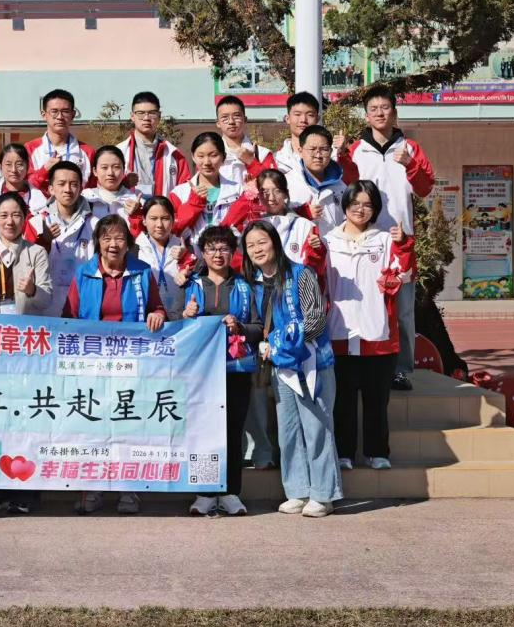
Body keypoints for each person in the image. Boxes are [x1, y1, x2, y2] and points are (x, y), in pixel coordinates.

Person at [62, 214, 167, 516]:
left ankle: (128, 489)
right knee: (92, 425)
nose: (113, 244)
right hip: (91, 365)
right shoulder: (83, 274)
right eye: (106, 238)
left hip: (130, 364)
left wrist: (157, 314)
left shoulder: (142, 272)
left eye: (119, 238)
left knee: (127, 423)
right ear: (97, 242)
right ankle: (92, 490)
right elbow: (68, 317)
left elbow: (157, 307)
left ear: (128, 243)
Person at [242, 220, 341, 518]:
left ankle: (323, 495)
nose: (257, 249)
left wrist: (281, 344)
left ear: (275, 242)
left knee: (317, 428)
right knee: (288, 431)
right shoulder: (253, 283)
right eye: (250, 245)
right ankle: (297, 490)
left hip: (311, 363)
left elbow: (315, 320)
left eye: (262, 242)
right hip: (281, 368)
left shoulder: (301, 274)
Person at [340, 85, 435, 391]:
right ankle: (363, 366)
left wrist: (410, 164)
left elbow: (425, 188)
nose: (380, 113)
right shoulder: (356, 150)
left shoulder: (410, 148)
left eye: (385, 108)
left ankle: (401, 370)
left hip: (400, 242)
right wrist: (340, 156)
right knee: (363, 305)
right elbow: (345, 188)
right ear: (366, 116)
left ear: (395, 112)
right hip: (364, 241)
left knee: (403, 312)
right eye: (374, 109)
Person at [0, 191, 52, 516]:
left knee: (24, 415)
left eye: (16, 214)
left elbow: (46, 298)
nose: (10, 221)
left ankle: (26, 490)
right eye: (4, 215)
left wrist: (31, 290)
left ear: (25, 218)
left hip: (25, 349)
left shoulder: (36, 253)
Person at [324, 180, 414, 472]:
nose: (360, 209)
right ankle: (344, 453)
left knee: (377, 400)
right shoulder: (328, 241)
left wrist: (403, 246)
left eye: (367, 204)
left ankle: (377, 452)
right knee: (343, 400)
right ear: (345, 205)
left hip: (377, 334)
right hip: (339, 332)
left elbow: (403, 273)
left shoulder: (386, 240)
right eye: (355, 203)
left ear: (375, 209)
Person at [175, 226, 261, 517]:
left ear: (233, 252)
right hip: (199, 372)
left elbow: (258, 327)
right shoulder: (191, 285)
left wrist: (240, 327)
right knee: (203, 431)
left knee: (233, 430)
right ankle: (205, 491)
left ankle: (231, 491)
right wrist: (185, 315)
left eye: (224, 248)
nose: (218, 254)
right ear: (202, 252)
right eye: (211, 248)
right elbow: (173, 324)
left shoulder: (245, 287)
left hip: (235, 368)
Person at [31, 161, 98, 318]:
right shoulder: (36, 222)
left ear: (81, 188)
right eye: (61, 184)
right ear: (51, 189)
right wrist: (44, 242)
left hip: (82, 306)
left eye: (73, 184)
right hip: (43, 309)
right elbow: (27, 265)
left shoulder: (95, 224)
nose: (68, 189)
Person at [169, 132, 257, 252]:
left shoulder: (238, 190)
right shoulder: (179, 193)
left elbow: (249, 227)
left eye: (213, 155)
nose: (207, 162)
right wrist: (193, 204)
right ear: (193, 157)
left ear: (223, 157)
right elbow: (173, 229)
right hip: (192, 259)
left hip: (229, 257)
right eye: (201, 156)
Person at [255, 169, 327, 283]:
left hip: (295, 289)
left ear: (286, 193)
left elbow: (316, 270)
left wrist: (317, 250)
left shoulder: (305, 226)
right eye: (265, 191)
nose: (271, 198)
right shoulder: (253, 228)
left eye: (277, 191)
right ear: (258, 194)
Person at [115, 91, 190, 197]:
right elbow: (106, 189)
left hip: (163, 207)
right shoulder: (119, 152)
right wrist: (124, 183)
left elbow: (184, 193)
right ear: (132, 116)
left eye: (152, 113)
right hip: (129, 207)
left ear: (159, 116)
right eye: (140, 113)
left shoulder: (174, 155)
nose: (146, 118)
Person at [0, 144, 47, 247]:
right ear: (0, 167)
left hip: (31, 255)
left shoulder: (42, 201)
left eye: (19, 164)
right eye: (8, 164)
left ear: (27, 166)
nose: (14, 170)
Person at [25, 89, 95, 190]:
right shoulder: (29, 149)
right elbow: (25, 185)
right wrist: (45, 170)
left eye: (65, 111)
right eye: (54, 111)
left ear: (73, 115)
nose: (60, 117)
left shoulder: (88, 152)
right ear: (44, 115)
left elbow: (93, 189)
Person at [286, 125, 349, 238]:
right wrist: (300, 213)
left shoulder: (341, 186)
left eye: (324, 149)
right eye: (312, 149)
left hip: (333, 247)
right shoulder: (288, 183)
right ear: (300, 151)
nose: (318, 155)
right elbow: (278, 218)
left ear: (331, 151)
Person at [134, 195, 192, 317]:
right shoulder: (135, 249)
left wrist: (186, 258)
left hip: (178, 316)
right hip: (146, 317)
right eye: (153, 218)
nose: (159, 224)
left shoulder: (184, 248)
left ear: (173, 219)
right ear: (144, 220)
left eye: (165, 218)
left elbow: (196, 274)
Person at [214, 96, 273, 187]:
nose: (231, 122)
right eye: (225, 117)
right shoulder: (210, 154)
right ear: (218, 123)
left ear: (245, 119)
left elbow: (274, 186)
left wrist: (252, 162)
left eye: (236, 116)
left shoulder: (262, 154)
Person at [82, 145, 142, 227]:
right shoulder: (84, 198)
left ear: (123, 170)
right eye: (104, 167)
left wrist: (137, 215)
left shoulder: (134, 200)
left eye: (116, 167)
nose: (110, 173)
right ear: (95, 171)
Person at [274, 92, 326, 173]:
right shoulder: (276, 160)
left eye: (310, 115)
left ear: (317, 119)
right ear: (287, 118)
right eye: (297, 114)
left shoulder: (330, 156)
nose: (303, 120)